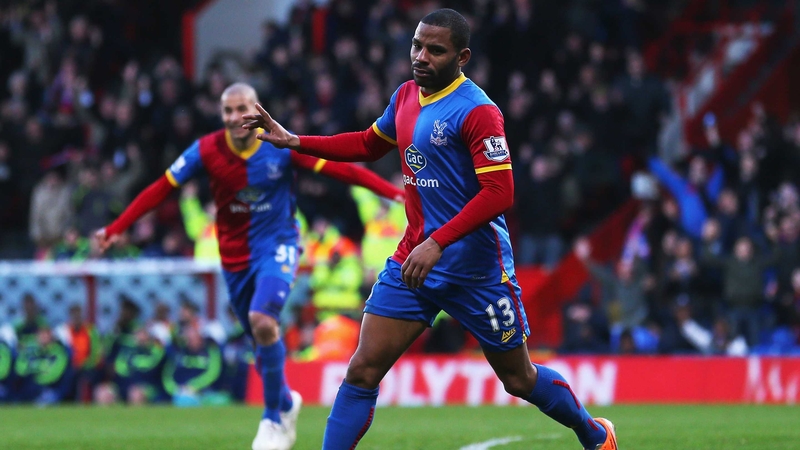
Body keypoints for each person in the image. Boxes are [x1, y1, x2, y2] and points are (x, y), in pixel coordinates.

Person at [243, 9, 617, 450]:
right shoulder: (404, 96)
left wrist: (438, 241)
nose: (420, 56)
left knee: (519, 378)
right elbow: (368, 143)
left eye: (434, 50)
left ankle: (594, 433)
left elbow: (500, 193)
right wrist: (296, 140)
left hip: (477, 270)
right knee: (362, 369)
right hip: (413, 262)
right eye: (417, 45)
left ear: (462, 57)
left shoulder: (479, 111)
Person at [95, 82, 403, 450]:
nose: (234, 117)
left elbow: (342, 172)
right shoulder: (207, 149)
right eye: (227, 110)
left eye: (241, 108)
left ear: (256, 110)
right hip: (235, 257)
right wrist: (117, 228)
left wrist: (393, 192)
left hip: (278, 246)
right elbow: (162, 187)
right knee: (259, 339)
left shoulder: (279, 144)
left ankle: (274, 416)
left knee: (262, 320)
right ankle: (287, 402)